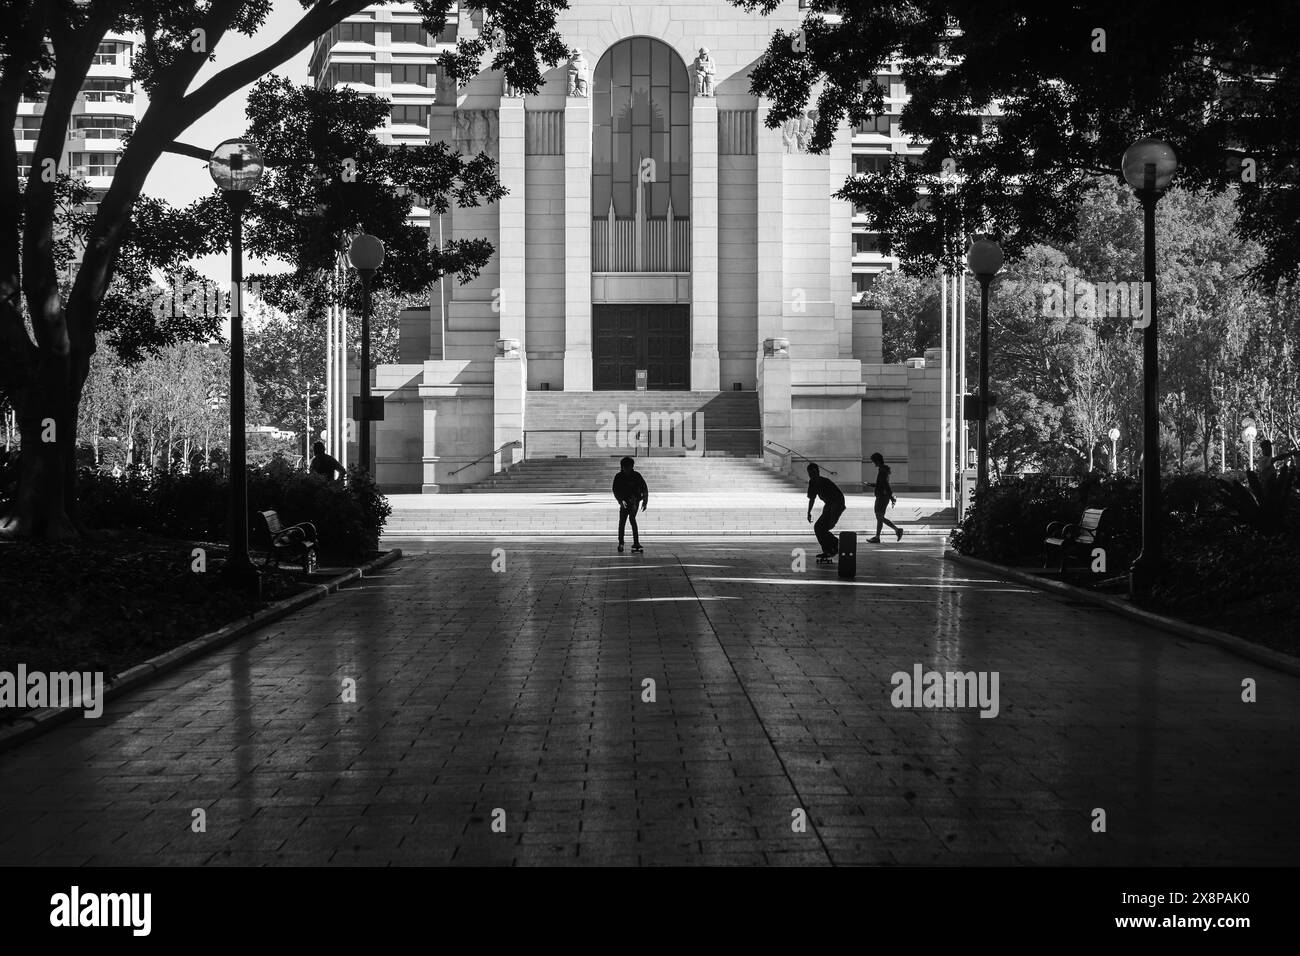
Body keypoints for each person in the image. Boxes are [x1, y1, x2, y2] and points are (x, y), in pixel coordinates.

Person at [805, 462, 846, 560]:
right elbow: (812, 499)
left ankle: (837, 544)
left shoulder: (825, 482)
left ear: (818, 472)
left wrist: (833, 516)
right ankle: (829, 550)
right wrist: (809, 512)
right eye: (810, 474)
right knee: (819, 527)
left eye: (814, 473)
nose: (812, 476)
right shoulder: (812, 482)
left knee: (822, 527)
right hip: (829, 505)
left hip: (837, 504)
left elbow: (837, 499)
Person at [612, 456, 648, 553]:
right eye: (625, 468)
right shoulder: (619, 476)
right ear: (622, 467)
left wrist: (645, 501)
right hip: (624, 501)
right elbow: (615, 490)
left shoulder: (636, 475)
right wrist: (620, 501)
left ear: (632, 467)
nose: (627, 470)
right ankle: (621, 542)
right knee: (622, 522)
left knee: (632, 519)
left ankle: (636, 542)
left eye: (629, 467)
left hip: (634, 501)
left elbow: (644, 488)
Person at [868, 452, 903, 543]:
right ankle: (877, 537)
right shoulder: (883, 469)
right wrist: (872, 485)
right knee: (880, 517)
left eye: (874, 461)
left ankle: (896, 530)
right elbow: (882, 484)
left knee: (879, 517)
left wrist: (891, 496)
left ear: (877, 461)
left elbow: (885, 485)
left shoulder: (882, 470)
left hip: (882, 496)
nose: (873, 463)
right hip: (883, 496)